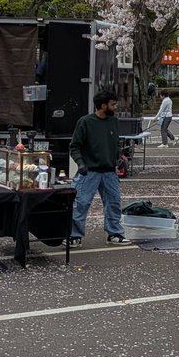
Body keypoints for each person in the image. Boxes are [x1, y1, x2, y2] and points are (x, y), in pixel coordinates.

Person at [68, 89, 127, 247]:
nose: (116, 108)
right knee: (81, 203)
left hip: (109, 171)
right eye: (113, 104)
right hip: (90, 171)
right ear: (103, 105)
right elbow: (74, 146)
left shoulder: (113, 121)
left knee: (114, 202)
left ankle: (114, 233)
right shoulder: (85, 122)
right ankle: (74, 235)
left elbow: (115, 142)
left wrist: (119, 156)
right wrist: (80, 163)